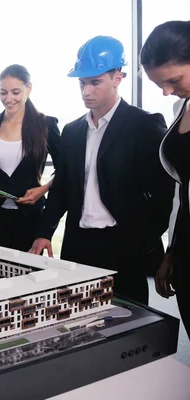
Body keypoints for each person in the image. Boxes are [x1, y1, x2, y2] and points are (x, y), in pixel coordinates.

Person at [30, 36, 174, 305]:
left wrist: (143, 242)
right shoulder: (72, 132)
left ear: (117, 77)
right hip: (79, 246)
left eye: (95, 82)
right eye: (82, 83)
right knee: (76, 322)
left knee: (131, 329)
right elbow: (62, 188)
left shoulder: (143, 126)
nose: (86, 91)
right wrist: (44, 232)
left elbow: (165, 195)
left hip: (124, 247)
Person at [0, 64, 61, 252]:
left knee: (30, 277)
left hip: (31, 219)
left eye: (15, 92)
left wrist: (42, 189)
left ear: (29, 89)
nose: (9, 99)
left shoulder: (46, 125)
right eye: (3, 92)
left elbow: (65, 170)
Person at [141, 20, 190, 335]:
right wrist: (172, 250)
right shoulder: (181, 106)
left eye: (173, 80)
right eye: (159, 84)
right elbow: (180, 191)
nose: (167, 91)